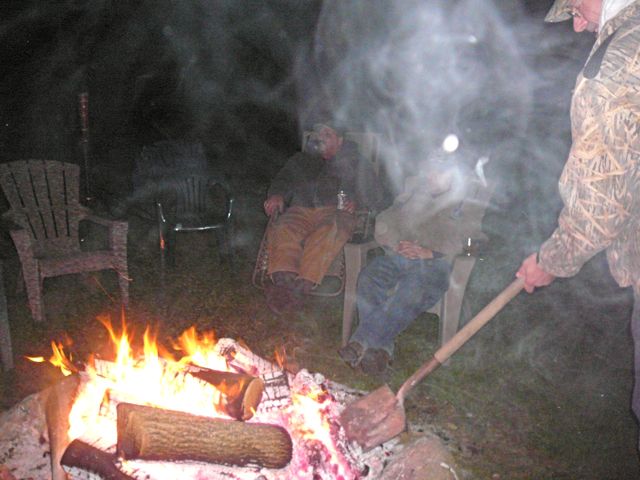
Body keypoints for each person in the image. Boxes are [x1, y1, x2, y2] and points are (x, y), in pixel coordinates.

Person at [516, 0, 640, 447]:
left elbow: (600, 199)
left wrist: (553, 259)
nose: (575, 23)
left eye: (573, 7)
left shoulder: (621, 56)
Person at [339, 147, 475, 375]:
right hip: (398, 256)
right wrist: (395, 243)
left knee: (412, 289)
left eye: (438, 172)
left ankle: (360, 343)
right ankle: (381, 352)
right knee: (368, 278)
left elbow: (468, 237)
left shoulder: (464, 202)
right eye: (429, 171)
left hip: (434, 265)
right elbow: (386, 219)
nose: (431, 176)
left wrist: (429, 251)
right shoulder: (415, 193)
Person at [263, 123, 383, 314]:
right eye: (318, 133)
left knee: (329, 231)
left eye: (327, 134)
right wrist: (277, 194)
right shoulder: (301, 159)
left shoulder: (356, 162)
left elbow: (374, 193)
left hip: (336, 211)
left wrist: (358, 203)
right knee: (283, 227)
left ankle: (302, 287)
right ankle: (283, 285)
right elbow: (283, 179)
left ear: (340, 140)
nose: (320, 137)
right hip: (300, 208)